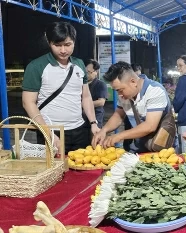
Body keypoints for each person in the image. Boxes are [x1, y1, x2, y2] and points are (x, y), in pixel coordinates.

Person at [22, 22, 99, 154]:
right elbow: (28, 102)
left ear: (74, 42)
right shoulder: (36, 66)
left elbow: (85, 96)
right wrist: (48, 133)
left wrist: (93, 123)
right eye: (57, 45)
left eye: (68, 45)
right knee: (54, 172)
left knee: (82, 170)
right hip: (51, 130)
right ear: (49, 42)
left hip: (80, 130)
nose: (63, 50)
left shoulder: (79, 64)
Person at [92, 61, 171, 153]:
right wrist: (104, 130)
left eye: (120, 90)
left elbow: (150, 126)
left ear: (133, 81)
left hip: (162, 150)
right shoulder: (124, 96)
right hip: (139, 148)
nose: (119, 94)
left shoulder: (154, 91)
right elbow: (118, 116)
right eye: (116, 91)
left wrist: (119, 136)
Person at [84, 59, 108, 129]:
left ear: (96, 72)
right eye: (84, 72)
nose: (86, 74)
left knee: (95, 137)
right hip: (81, 117)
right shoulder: (81, 84)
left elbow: (101, 102)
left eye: (88, 72)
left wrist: (83, 104)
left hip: (96, 116)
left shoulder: (101, 85)